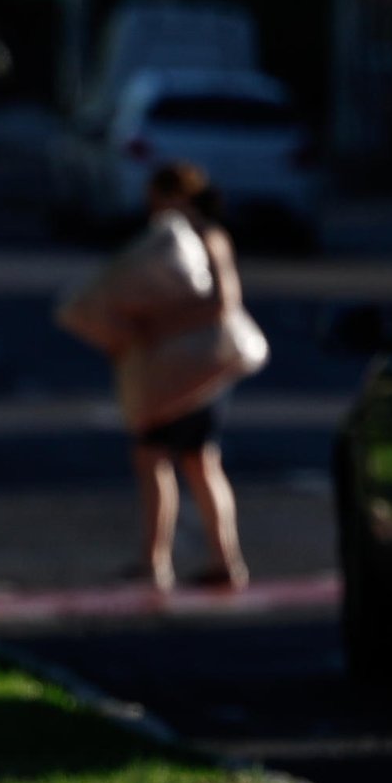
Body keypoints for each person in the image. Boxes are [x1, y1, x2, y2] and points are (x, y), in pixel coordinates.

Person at [56, 160, 263, 593]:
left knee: (164, 457)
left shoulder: (206, 238)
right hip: (189, 365)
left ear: (179, 196)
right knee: (195, 460)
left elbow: (222, 303)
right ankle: (218, 559)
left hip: (195, 366)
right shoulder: (168, 244)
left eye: (159, 198)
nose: (153, 208)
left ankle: (165, 560)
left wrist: (155, 327)